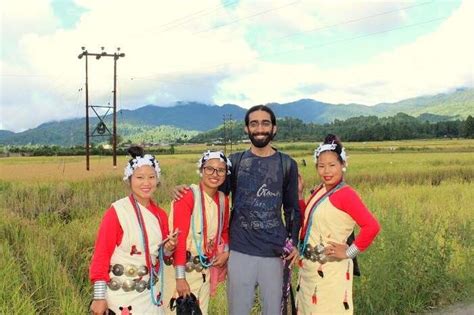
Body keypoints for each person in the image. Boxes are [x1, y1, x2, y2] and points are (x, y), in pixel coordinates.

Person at [225, 105, 301, 315]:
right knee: (238, 311)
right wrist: (186, 191)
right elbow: (216, 197)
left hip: (275, 253)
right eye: (254, 123)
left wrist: (292, 242)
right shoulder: (234, 162)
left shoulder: (287, 164)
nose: (260, 128)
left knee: (273, 311)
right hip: (240, 250)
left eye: (265, 123)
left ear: (274, 128)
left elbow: (292, 208)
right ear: (246, 129)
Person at [296, 134, 381, 314]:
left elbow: (372, 227)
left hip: (331, 271)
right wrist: (299, 195)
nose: (326, 171)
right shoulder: (320, 190)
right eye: (321, 166)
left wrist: (349, 252)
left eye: (332, 165)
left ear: (343, 165)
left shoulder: (345, 194)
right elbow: (308, 221)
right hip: (309, 270)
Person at [89, 146, 177, 315]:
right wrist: (99, 297)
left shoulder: (161, 215)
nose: (146, 183)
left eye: (151, 177)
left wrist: (168, 248)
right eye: (140, 177)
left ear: (157, 180)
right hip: (121, 295)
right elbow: (101, 254)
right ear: (129, 180)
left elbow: (160, 257)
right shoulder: (117, 212)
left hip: (151, 296)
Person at [165, 150, 231, 315]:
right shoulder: (187, 196)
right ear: (201, 170)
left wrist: (226, 252)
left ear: (226, 173)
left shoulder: (223, 200)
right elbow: (178, 239)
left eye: (220, 170)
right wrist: (180, 278)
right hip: (181, 273)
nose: (215, 174)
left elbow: (224, 231)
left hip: (203, 273)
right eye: (209, 169)